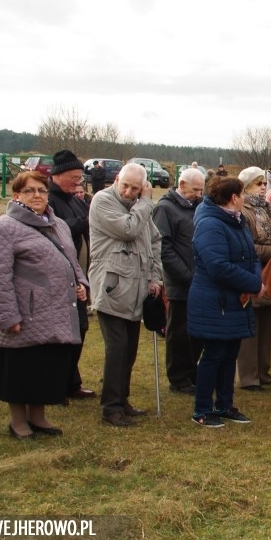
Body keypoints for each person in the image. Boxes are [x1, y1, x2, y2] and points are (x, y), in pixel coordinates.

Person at [0, 171, 89, 439]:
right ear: (16, 195)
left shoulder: (58, 224)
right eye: (30, 191)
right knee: (21, 367)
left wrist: (81, 284)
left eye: (42, 191)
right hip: (25, 312)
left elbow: (72, 260)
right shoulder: (3, 227)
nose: (37, 196)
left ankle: (38, 416)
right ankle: (18, 421)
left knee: (45, 366)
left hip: (56, 310)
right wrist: (8, 316)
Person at [90, 162, 162, 427]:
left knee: (129, 350)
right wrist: (145, 201)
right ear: (117, 179)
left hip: (137, 289)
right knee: (117, 348)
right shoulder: (102, 201)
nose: (129, 192)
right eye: (126, 186)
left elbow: (154, 240)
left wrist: (155, 277)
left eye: (135, 188)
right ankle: (111, 408)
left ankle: (122, 400)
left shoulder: (139, 208)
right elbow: (128, 229)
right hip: (111, 288)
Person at [188, 177, 263, 428]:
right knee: (214, 353)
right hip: (214, 300)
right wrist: (252, 284)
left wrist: (255, 278)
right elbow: (218, 266)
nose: (244, 199)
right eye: (242, 194)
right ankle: (202, 408)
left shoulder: (237, 221)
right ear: (234, 197)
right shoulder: (211, 224)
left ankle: (224, 404)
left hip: (235, 300)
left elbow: (251, 255)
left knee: (230, 352)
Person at [47, 150, 96, 401]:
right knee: (64, 332)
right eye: (74, 176)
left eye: (80, 176)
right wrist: (86, 220)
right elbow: (60, 228)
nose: (78, 181)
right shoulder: (49, 199)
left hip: (80, 276)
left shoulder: (73, 198)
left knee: (80, 328)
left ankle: (71, 382)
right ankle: (57, 384)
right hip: (59, 278)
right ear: (58, 175)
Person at [153, 167, 206, 394]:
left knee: (196, 333)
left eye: (201, 190)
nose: (198, 194)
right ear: (182, 185)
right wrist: (187, 277)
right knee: (179, 332)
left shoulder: (198, 208)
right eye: (195, 189)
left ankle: (192, 373)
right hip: (180, 284)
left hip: (199, 282)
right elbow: (164, 249)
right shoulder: (165, 208)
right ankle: (178, 377)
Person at [236, 166, 271, 391]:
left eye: (264, 183)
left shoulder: (269, 210)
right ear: (245, 187)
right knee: (249, 324)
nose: (263, 187)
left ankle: (263, 371)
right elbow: (245, 245)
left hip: (270, 272)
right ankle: (248, 376)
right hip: (249, 270)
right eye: (257, 183)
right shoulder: (242, 211)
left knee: (266, 323)